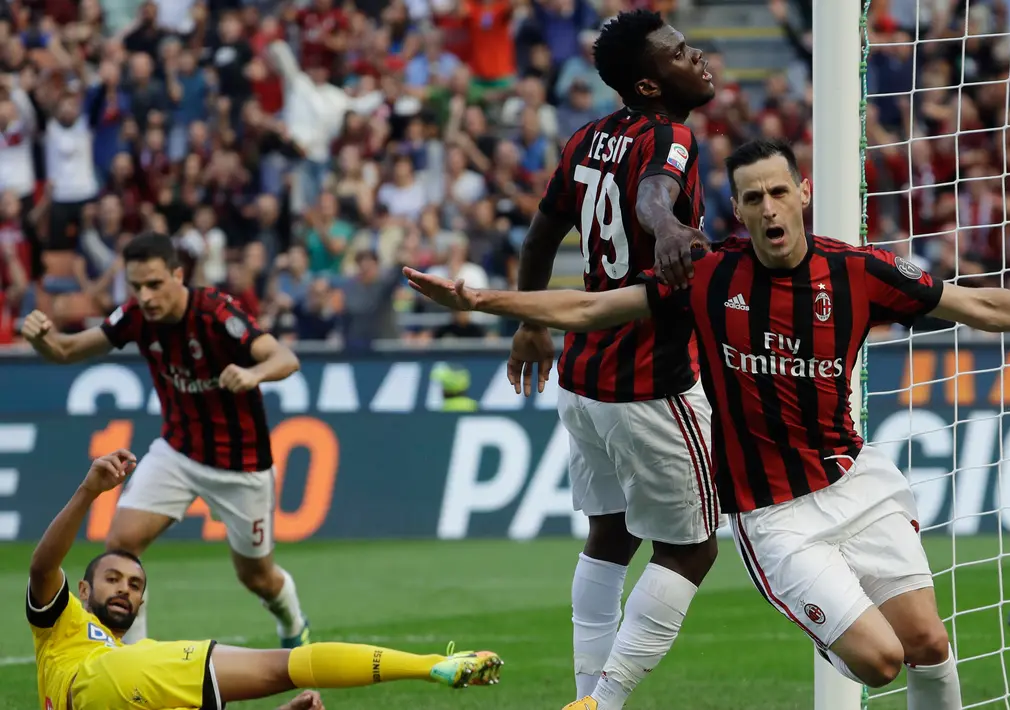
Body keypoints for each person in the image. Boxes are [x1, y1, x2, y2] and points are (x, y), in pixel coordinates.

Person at [403, 138, 1010, 709]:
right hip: (775, 517)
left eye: (777, 191)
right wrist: (482, 303)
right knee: (879, 664)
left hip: (856, 483)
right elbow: (588, 307)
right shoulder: (709, 278)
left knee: (932, 646)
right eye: (750, 198)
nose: (767, 208)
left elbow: (980, 305)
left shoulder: (860, 272)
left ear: (802, 192)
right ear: (736, 210)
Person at [505, 9, 716, 709]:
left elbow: (538, 241)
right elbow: (659, 190)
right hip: (648, 379)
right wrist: (666, 227)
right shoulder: (671, 136)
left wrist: (530, 324)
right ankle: (605, 702)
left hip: (582, 374)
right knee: (691, 549)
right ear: (652, 86)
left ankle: (581, 696)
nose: (700, 58)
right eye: (682, 53)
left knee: (610, 536)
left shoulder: (587, 140)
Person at [27, 449, 503, 710]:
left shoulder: (129, 671)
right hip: (99, 681)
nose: (125, 591)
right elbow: (44, 565)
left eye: (135, 586)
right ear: (83, 591)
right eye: (113, 578)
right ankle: (427, 666)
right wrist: (90, 491)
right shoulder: (63, 628)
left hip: (111, 691)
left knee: (280, 673)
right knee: (285, 665)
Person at [21, 232, 308, 647]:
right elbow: (66, 350)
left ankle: (293, 625)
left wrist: (252, 374)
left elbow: (285, 357)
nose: (146, 295)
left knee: (257, 577)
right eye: (137, 286)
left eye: (154, 284)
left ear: (178, 275)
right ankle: (134, 663)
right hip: (177, 451)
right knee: (120, 547)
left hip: (241, 465)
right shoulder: (135, 316)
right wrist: (39, 340)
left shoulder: (216, 312)